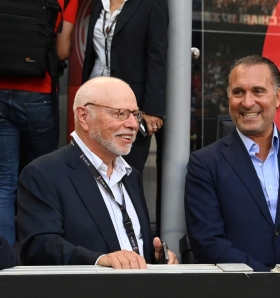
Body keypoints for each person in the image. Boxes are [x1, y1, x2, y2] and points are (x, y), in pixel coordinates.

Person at [184, 55, 280, 272]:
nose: (247, 102)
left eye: (258, 91)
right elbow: (207, 242)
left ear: (277, 97)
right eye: (238, 92)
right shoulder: (205, 163)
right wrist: (268, 280)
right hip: (238, 287)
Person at [17, 77, 177, 268]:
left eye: (136, 114)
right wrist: (99, 261)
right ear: (84, 116)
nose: (133, 124)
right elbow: (39, 248)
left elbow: (125, 232)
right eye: (120, 114)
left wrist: (154, 253)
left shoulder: (131, 175)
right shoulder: (43, 173)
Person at [82, 0, 169, 235]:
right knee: (91, 170)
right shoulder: (98, 3)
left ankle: (134, 240)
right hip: (95, 98)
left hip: (132, 103)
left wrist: (151, 107)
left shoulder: (152, 4)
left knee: (127, 174)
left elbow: (157, 55)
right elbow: (94, 54)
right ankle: (98, 238)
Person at [0, 0, 78, 247]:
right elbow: (63, 51)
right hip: (38, 94)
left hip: (0, 92)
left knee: (4, 181)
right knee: (40, 177)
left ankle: (5, 259)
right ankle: (36, 254)